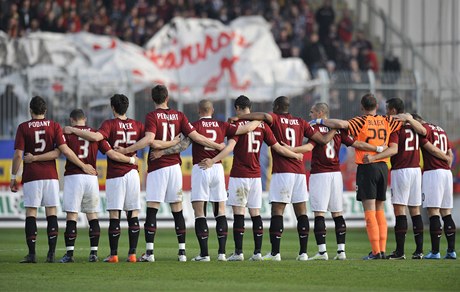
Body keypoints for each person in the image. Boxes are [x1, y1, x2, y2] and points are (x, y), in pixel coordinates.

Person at [116, 85, 224, 262]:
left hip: (158, 167)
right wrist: (217, 145)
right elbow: (196, 137)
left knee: (152, 209)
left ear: (153, 99)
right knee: (177, 209)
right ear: (167, 98)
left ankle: (149, 253)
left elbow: (151, 141)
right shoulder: (180, 115)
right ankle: (182, 253)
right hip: (175, 167)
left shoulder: (151, 116)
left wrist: (127, 150)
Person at [151, 99, 261, 261]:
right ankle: (222, 254)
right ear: (213, 110)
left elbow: (182, 146)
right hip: (217, 167)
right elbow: (247, 128)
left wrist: (162, 153)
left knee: (199, 212)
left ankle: (204, 254)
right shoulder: (223, 125)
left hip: (201, 168)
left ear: (198, 110)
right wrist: (262, 118)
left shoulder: (194, 125)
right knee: (220, 211)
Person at [229, 96, 336, 261]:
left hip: (282, 172)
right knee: (301, 212)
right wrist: (336, 128)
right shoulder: (301, 122)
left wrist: (240, 117)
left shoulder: (275, 119)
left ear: (277, 107)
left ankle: (275, 253)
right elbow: (322, 140)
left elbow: (265, 117)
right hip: (299, 173)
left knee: (277, 212)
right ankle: (303, 253)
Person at [24, 109, 138, 263]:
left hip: (74, 176)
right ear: (85, 118)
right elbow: (110, 152)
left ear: (72, 120)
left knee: (72, 216)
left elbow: (59, 151)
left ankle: (69, 254)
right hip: (91, 177)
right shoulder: (95, 134)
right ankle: (93, 253)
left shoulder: (67, 133)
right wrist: (131, 160)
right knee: (92, 215)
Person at [199, 95, 303, 261]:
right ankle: (257, 253)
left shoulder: (237, 124)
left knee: (238, 213)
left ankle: (239, 252)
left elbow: (230, 148)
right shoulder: (262, 126)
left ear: (237, 108)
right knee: (255, 213)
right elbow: (277, 148)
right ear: (250, 107)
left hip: (240, 174)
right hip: (256, 176)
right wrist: (295, 155)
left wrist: (213, 160)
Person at [64, 94, 161, 263]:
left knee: (114, 215)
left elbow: (96, 139)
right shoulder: (137, 125)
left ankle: (114, 254)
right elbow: (148, 140)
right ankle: (132, 254)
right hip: (133, 173)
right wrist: (133, 157)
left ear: (113, 108)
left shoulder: (108, 124)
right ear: (127, 107)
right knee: (133, 214)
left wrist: (72, 130)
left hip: (116, 174)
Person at [288, 102, 387, 261]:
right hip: (336, 174)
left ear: (321, 113)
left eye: (312, 112)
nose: (310, 115)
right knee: (337, 214)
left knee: (319, 213)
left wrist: (290, 150)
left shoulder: (315, 128)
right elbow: (357, 144)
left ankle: (322, 252)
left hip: (320, 174)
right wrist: (377, 149)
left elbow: (309, 148)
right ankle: (341, 252)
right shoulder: (340, 130)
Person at [10, 96, 96, 263]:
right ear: (45, 111)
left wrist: (15, 175)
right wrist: (83, 165)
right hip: (50, 175)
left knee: (31, 213)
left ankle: (32, 254)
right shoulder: (54, 126)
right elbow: (60, 152)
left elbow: (19, 155)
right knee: (52, 213)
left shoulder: (23, 127)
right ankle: (51, 254)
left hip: (32, 176)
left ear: (30, 110)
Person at [315, 93, 401, 259]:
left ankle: (376, 252)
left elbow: (340, 124)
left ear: (362, 107)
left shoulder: (361, 121)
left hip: (367, 166)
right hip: (383, 166)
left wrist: (318, 121)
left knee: (369, 210)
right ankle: (382, 250)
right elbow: (402, 119)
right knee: (380, 210)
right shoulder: (386, 120)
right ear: (377, 106)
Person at [364, 99, 451, 260]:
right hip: (416, 170)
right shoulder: (415, 127)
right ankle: (419, 251)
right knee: (415, 211)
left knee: (400, 211)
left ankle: (400, 252)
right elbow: (425, 133)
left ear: (393, 110)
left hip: (401, 170)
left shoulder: (396, 126)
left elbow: (393, 149)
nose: (386, 112)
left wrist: (375, 157)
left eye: (388, 109)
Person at [395, 113, 456, 260]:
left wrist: (445, 158)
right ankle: (451, 251)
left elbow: (433, 150)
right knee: (446, 212)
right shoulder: (440, 129)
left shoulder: (424, 130)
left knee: (433, 211)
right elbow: (450, 152)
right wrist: (448, 161)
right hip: (447, 173)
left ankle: (435, 252)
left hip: (433, 172)